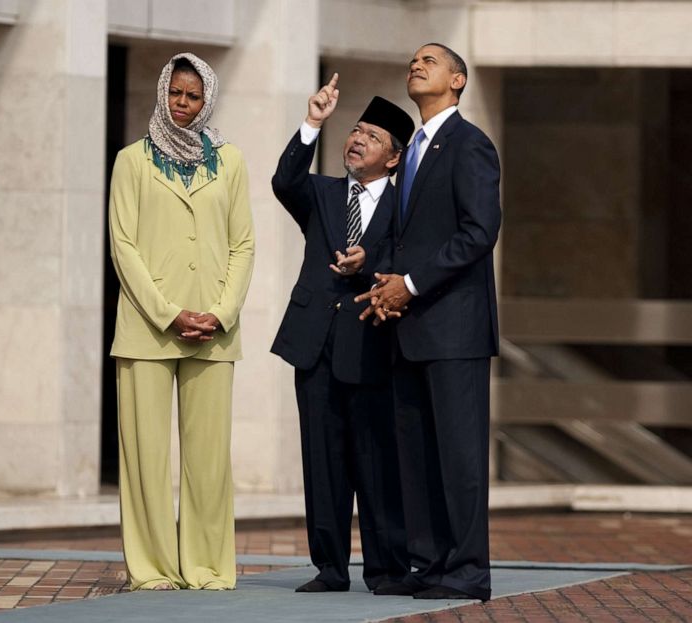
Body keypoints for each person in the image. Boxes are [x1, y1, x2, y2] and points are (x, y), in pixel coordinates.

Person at [357, 43, 501, 602]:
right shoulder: (412, 149)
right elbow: (405, 234)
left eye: (431, 62)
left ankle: (467, 571)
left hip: (455, 330)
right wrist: (379, 275)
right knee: (416, 456)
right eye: (413, 60)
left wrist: (410, 284)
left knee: (460, 457)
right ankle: (432, 564)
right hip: (407, 328)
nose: (416, 66)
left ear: (458, 81)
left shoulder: (470, 145)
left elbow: (478, 232)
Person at [107, 52, 254, 591]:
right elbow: (123, 246)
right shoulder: (131, 160)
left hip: (215, 333)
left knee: (209, 461)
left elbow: (243, 243)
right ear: (163, 92)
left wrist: (219, 312)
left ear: (207, 98)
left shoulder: (231, 161)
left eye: (193, 97)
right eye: (175, 94)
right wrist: (170, 315)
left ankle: (208, 567)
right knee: (145, 459)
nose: (183, 106)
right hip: (147, 331)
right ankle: (150, 569)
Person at [270, 74, 413, 594]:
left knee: (376, 462)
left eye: (372, 136)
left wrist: (368, 261)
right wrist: (312, 122)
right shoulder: (322, 193)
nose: (357, 139)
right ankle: (329, 568)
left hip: (372, 344)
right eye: (355, 130)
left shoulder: (406, 207)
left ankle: (386, 569)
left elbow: (410, 264)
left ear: (392, 158)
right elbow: (284, 181)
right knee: (322, 460)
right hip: (315, 344)